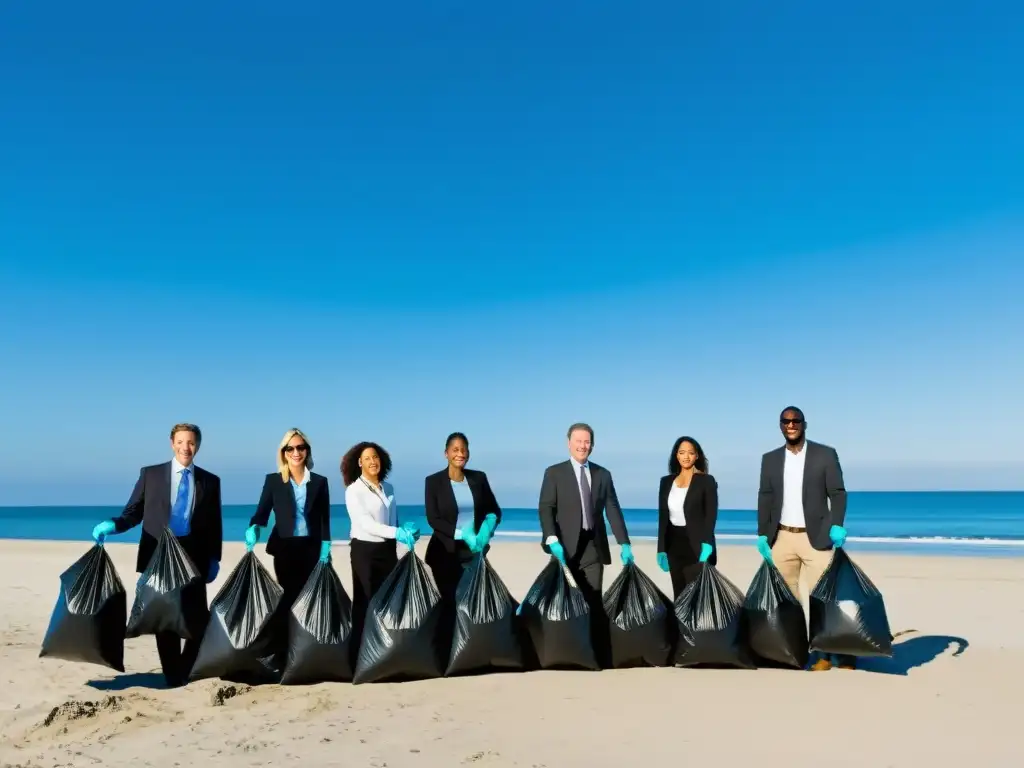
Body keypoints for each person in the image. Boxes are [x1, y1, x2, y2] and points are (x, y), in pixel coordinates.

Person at [90, 423, 223, 687]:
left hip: (192, 554)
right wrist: (114, 525)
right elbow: (133, 512)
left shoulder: (210, 480)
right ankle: (174, 675)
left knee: (200, 620)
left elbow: (214, 524)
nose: (186, 447)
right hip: (158, 553)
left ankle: (185, 667)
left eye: (192, 442)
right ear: (172, 443)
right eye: (181, 442)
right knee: (166, 618)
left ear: (198, 445)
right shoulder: (151, 474)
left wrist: (214, 558)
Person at [755, 405, 851, 671]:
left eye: (796, 421)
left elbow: (838, 493)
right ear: (780, 426)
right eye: (786, 421)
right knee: (786, 601)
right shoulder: (770, 459)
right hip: (782, 537)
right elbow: (765, 496)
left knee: (822, 598)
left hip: (817, 537)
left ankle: (826, 653)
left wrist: (837, 525)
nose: (791, 425)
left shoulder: (825, 454)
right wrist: (762, 533)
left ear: (804, 424)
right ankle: (794, 652)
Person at [537, 422, 632, 664]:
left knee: (593, 599)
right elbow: (546, 507)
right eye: (578, 441)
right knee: (564, 600)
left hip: (593, 546)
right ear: (569, 443)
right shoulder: (554, 473)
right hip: (564, 547)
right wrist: (551, 538)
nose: (583, 446)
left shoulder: (603, 474)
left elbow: (612, 509)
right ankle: (564, 652)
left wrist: (624, 543)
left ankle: (593, 654)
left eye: (587, 441)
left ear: (593, 445)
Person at [244, 428, 332, 651]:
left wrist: (326, 546)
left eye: (300, 447)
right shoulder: (274, 481)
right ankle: (283, 649)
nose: (296, 452)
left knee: (308, 599)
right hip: (284, 549)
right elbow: (262, 511)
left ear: (307, 451)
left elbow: (324, 519)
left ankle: (305, 649)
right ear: (283, 452)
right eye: (290, 448)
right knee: (288, 596)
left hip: (311, 549)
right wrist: (254, 527)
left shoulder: (320, 482)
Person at [424, 432, 503, 646]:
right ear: (446, 453)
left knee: (471, 603)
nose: (460, 454)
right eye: (455, 450)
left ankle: (468, 650)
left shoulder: (478, 478)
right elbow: (434, 519)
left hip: (473, 551)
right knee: (450, 603)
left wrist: (485, 532)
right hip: (444, 553)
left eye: (464, 449)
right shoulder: (434, 482)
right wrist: (460, 534)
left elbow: (494, 510)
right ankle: (447, 652)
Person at [342, 441, 420, 657]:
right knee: (365, 603)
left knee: (388, 601)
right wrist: (397, 532)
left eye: (375, 457)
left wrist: (405, 532)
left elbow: (392, 519)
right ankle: (360, 655)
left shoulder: (390, 488)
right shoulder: (353, 491)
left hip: (387, 550)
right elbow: (366, 524)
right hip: (364, 552)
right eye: (367, 458)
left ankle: (385, 652)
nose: (372, 461)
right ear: (359, 463)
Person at [655, 436, 718, 599]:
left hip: (697, 546)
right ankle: (680, 625)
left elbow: (710, 515)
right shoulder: (666, 481)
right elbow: (663, 517)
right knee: (679, 595)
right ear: (676, 455)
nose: (686, 456)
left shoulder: (706, 481)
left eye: (690, 453)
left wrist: (707, 544)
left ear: (697, 456)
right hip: (674, 545)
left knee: (696, 596)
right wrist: (661, 548)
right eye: (682, 452)